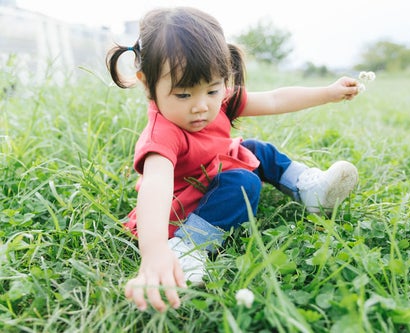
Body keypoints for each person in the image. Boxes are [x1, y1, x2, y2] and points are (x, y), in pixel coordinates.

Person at [106, 7, 360, 312]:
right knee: (242, 182)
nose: (201, 107)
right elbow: (155, 188)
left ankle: (311, 191)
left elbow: (276, 98)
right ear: (147, 84)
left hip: (212, 170)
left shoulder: (219, 101)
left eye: (212, 90)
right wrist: (154, 251)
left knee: (255, 149)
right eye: (183, 95)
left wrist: (328, 93)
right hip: (187, 204)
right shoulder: (163, 133)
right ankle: (188, 248)